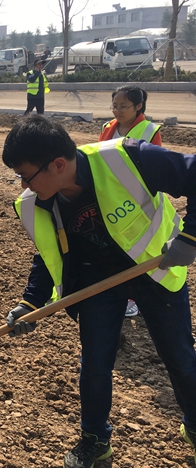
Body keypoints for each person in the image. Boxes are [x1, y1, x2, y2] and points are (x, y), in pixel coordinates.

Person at [1, 115, 196, 468]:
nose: (23, 185)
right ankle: (95, 437)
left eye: (26, 175)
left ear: (58, 164)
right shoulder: (36, 202)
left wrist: (191, 236)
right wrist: (30, 302)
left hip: (154, 269)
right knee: (93, 366)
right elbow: (48, 253)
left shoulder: (128, 158)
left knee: (181, 358)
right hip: (97, 281)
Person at [99, 85, 162, 318]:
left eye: (123, 107)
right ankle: (123, 293)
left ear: (138, 106)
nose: (117, 111)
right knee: (116, 247)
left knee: (138, 248)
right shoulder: (107, 128)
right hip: (111, 198)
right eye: (114, 106)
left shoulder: (149, 131)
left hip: (139, 201)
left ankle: (135, 297)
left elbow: (157, 167)